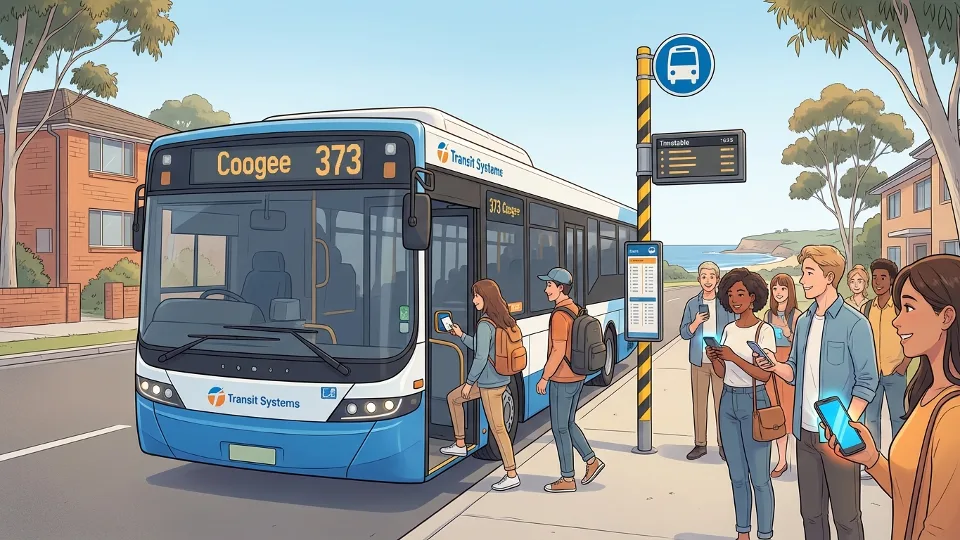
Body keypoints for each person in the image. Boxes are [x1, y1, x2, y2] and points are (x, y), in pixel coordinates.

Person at [824, 254, 960, 539]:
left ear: (946, 316)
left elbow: (941, 529)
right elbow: (911, 493)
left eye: (909, 308)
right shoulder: (927, 396)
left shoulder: (954, 413)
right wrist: (872, 459)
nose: (898, 322)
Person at [760, 245, 878, 540]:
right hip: (805, 435)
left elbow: (867, 382)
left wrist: (843, 425)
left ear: (829, 277)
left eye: (809, 273)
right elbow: (794, 371)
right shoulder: (803, 321)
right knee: (811, 516)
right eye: (803, 272)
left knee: (847, 518)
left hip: (837, 436)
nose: (802, 279)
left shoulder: (855, 324)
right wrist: (775, 365)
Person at [705, 268, 778, 540]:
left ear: (753, 296)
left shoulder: (764, 330)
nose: (735, 299)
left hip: (755, 403)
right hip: (728, 402)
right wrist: (715, 357)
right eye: (731, 294)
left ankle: (766, 533)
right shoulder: (727, 329)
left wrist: (734, 357)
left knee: (759, 477)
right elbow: (722, 373)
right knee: (737, 475)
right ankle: (742, 533)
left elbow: (765, 373)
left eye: (741, 293)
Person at [441, 279, 520, 491]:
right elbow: (480, 346)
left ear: (486, 297)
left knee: (498, 428)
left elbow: (481, 357)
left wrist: (468, 383)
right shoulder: (501, 320)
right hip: (497, 380)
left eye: (477, 295)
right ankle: (460, 444)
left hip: (489, 385)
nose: (474, 300)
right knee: (453, 398)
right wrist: (460, 335)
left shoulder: (485, 324)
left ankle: (511, 474)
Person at [535, 267, 604, 493]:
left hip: (562, 377)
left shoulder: (559, 315)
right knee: (569, 422)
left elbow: (558, 350)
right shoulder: (575, 308)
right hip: (577, 374)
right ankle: (591, 461)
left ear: (560, 288)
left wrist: (545, 377)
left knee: (559, 427)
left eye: (549, 285)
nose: (546, 290)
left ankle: (567, 478)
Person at [678, 261, 736, 461]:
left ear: (718, 280)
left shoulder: (725, 304)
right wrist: (695, 323)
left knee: (722, 406)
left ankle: (723, 444)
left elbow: (734, 330)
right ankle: (700, 444)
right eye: (704, 276)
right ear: (699, 279)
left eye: (712, 276)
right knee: (699, 404)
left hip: (720, 362)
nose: (708, 281)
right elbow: (684, 333)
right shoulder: (692, 304)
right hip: (698, 362)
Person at [860, 258, 910, 480]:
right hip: (873, 373)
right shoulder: (867, 307)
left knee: (899, 418)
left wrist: (904, 364)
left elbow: (910, 335)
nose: (878, 282)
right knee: (871, 419)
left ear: (891, 280)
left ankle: (899, 462)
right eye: (875, 278)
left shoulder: (900, 307)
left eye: (883, 277)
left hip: (895, 372)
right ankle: (874, 463)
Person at [765, 273, 800, 478]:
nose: (779, 293)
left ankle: (798, 460)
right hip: (772, 366)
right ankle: (781, 460)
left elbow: (801, 344)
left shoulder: (796, 315)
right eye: (775, 289)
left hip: (789, 365)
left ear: (790, 291)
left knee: (791, 413)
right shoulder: (768, 316)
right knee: (776, 414)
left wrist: (788, 332)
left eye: (783, 289)